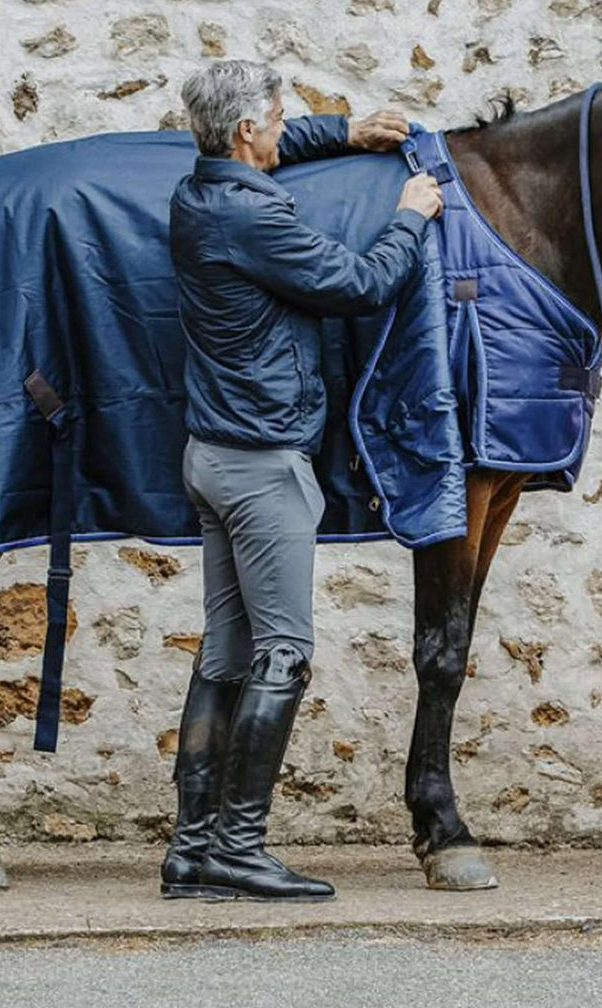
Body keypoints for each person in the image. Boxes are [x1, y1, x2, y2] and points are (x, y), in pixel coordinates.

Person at [163, 59, 443, 901]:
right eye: (282, 120)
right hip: (262, 466)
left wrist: (347, 131)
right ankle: (238, 849)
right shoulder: (254, 220)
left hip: (212, 456)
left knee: (224, 655)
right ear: (247, 131)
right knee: (283, 653)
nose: (289, 129)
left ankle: (191, 851)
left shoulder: (199, 193)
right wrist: (410, 217)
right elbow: (359, 286)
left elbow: (267, 145)